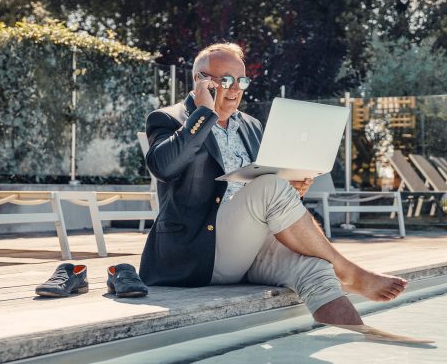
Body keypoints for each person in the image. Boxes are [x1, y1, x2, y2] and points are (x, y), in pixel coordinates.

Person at [140, 43, 407, 326]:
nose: (235, 89)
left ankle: (360, 338)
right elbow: (163, 167)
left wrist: (288, 189)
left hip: (248, 246)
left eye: (241, 81)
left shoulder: (251, 125)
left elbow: (258, 182)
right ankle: (349, 272)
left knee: (315, 269)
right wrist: (204, 114)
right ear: (201, 81)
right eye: (226, 80)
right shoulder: (168, 119)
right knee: (270, 187)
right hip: (197, 254)